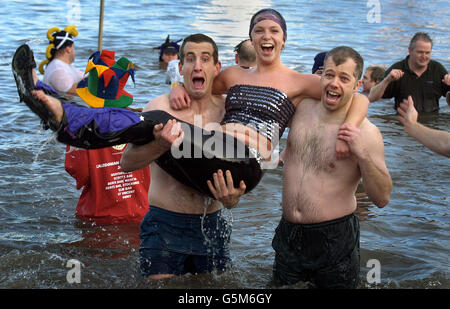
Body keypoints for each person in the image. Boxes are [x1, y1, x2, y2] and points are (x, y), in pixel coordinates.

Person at [169, 9, 370, 162]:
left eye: (274, 31)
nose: (266, 36)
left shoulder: (300, 81)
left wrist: (348, 130)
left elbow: (358, 97)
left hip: (255, 158)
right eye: (259, 31)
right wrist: (177, 86)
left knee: (195, 137)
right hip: (219, 146)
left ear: (283, 40)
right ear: (252, 39)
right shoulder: (233, 74)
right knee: (167, 136)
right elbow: (199, 85)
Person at [272, 46, 393, 289]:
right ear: (320, 76)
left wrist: (363, 154)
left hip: (334, 238)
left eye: (344, 78)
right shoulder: (300, 109)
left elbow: (381, 198)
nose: (334, 83)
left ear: (357, 85)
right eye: (329, 75)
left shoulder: (366, 133)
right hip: (289, 234)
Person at [65, 50, 151, 224]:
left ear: (89, 97)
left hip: (97, 218)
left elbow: (79, 173)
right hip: (139, 214)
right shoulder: (143, 123)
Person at [368, 32, 450, 112]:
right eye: (420, 52)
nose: (424, 56)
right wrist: (387, 80)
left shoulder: (437, 69)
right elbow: (371, 97)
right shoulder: (398, 69)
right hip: (403, 121)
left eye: (427, 53)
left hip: (432, 121)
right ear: (410, 51)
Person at [39, 26, 84, 95]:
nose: (74, 51)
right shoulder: (58, 69)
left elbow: (84, 78)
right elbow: (72, 91)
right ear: (68, 49)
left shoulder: (65, 66)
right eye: (73, 48)